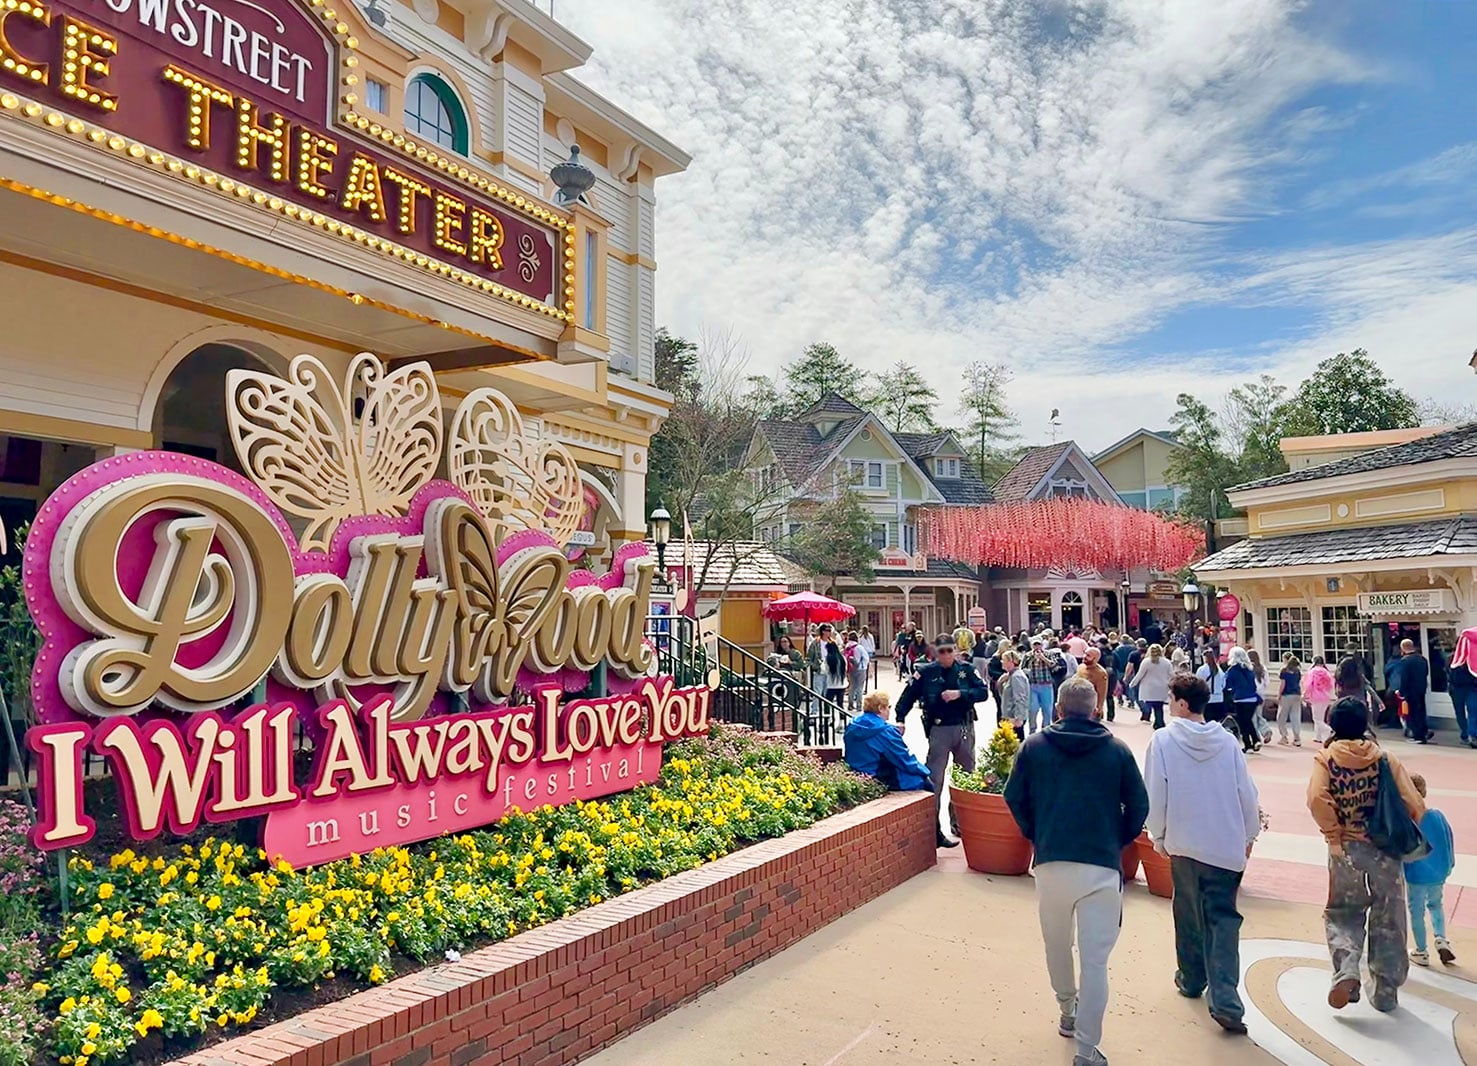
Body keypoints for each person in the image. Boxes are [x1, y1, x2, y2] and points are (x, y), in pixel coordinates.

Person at [1004, 678, 1149, 1066]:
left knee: (1056, 944)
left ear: (1058, 709)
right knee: (1095, 962)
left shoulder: (1034, 746)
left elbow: (1013, 796)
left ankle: (1067, 1008)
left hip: (1053, 858)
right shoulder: (1117, 751)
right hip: (1101, 864)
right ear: (1096, 709)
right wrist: (1117, 838)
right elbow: (1139, 805)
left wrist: (1036, 832)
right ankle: (1086, 1049)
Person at [1144, 673, 1261, 1034]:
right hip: (1224, 842)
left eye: (1170, 698)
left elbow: (1155, 793)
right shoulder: (1227, 742)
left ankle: (1192, 977)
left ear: (1181, 703)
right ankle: (1226, 999)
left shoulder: (1163, 741)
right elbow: (1246, 792)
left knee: (1188, 912)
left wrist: (1158, 834)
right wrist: (1249, 833)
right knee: (1223, 920)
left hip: (1185, 840)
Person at [1307, 698, 1425, 1012]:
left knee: (1343, 911)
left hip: (1346, 848)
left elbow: (1316, 798)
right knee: (1389, 915)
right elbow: (1414, 803)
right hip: (1385, 850)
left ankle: (1346, 971)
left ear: (1333, 725)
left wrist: (1334, 835)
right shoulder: (1384, 758)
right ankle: (1385, 989)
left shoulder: (1327, 758)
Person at [896, 634, 988, 848]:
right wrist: (900, 718)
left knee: (965, 777)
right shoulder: (926, 672)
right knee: (934, 778)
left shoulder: (966, 669)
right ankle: (934, 829)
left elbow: (983, 692)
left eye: (949, 650)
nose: (946, 655)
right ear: (935, 652)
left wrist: (960, 694)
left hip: (964, 727)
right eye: (942, 651)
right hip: (939, 729)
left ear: (955, 650)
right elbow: (908, 695)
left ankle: (960, 824)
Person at [1404, 773, 1456, 968]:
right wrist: (1450, 863)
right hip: (1438, 871)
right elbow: (1449, 839)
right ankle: (1441, 938)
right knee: (1435, 905)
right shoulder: (1437, 815)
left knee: (1416, 911)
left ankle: (1421, 950)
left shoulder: (1408, 822)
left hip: (1416, 875)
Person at [843, 691, 932, 792]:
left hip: (854, 772)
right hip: (876, 777)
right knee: (922, 782)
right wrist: (925, 772)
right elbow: (904, 759)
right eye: (888, 707)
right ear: (880, 708)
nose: (890, 710)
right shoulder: (885, 731)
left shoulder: (852, 725)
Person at [1391, 638, 1432, 744]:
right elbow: (1426, 673)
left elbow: (1404, 678)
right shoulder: (1422, 659)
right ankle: (1424, 731)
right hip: (1421, 689)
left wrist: (1401, 691)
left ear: (1402, 648)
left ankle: (1418, 736)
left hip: (1410, 691)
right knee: (1421, 711)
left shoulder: (1405, 661)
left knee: (1412, 714)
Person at [1223, 648, 1260, 753]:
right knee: (1248, 720)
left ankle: (1248, 745)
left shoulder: (1232, 670)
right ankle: (1256, 740)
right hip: (1252, 698)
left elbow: (1226, 684)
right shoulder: (1249, 669)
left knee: (1242, 723)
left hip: (1240, 698)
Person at [1449, 627, 1477, 748]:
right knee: (1472, 712)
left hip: (1459, 689)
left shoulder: (1452, 659)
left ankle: (1467, 734)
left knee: (1462, 712)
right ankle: (1471, 734)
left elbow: (1450, 674)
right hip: (1469, 689)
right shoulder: (1472, 658)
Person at [1135, 644, 1174, 729]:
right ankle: (1159, 722)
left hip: (1149, 688)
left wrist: (1133, 683)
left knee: (1151, 705)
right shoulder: (1167, 662)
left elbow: (1140, 674)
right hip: (1162, 687)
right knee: (1159, 706)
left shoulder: (1146, 662)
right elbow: (1172, 675)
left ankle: (1156, 721)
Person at [809, 624, 848, 706]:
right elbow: (810, 658)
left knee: (828, 694)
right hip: (819, 671)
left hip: (830, 672)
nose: (830, 632)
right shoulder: (815, 643)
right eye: (828, 630)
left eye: (830, 631)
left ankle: (825, 710)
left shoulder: (833, 642)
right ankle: (815, 710)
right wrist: (815, 666)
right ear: (823, 631)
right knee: (817, 692)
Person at [1305, 656, 1335, 744]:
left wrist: (1305, 694)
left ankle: (1330, 730)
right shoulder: (1326, 672)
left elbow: (1309, 685)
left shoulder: (1312, 672)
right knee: (1321, 718)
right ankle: (1318, 736)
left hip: (1315, 697)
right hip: (1325, 697)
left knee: (1316, 719)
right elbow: (1330, 685)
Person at [1277, 654, 1305, 746]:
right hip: (1296, 695)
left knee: (1281, 717)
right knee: (1295, 717)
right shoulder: (1297, 672)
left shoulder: (1284, 671)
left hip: (1286, 695)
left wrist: (1279, 694)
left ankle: (1284, 736)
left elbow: (1283, 684)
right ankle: (1297, 738)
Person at [1002, 650, 1032, 733]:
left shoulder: (1017, 677)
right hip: (1009, 717)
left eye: (1004, 660)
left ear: (1011, 662)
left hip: (1014, 719)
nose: (1002, 662)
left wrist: (1019, 718)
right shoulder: (1011, 675)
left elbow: (1020, 698)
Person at [1077, 647, 1109, 720]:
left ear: (1095, 659)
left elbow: (1102, 693)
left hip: (1090, 708)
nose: (1084, 656)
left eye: (1088, 655)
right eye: (1085, 654)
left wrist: (1099, 708)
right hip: (1078, 705)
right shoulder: (1081, 667)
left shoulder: (1100, 673)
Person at [1196, 649, 1227, 722]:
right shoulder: (1220, 670)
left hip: (1207, 699)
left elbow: (1198, 684)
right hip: (1219, 698)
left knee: (1208, 722)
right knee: (1218, 722)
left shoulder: (1201, 670)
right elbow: (1223, 685)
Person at [843, 630, 870, 714]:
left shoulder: (847, 647)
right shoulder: (859, 647)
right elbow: (866, 658)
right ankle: (859, 705)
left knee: (852, 687)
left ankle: (850, 704)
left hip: (851, 669)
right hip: (860, 668)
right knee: (859, 687)